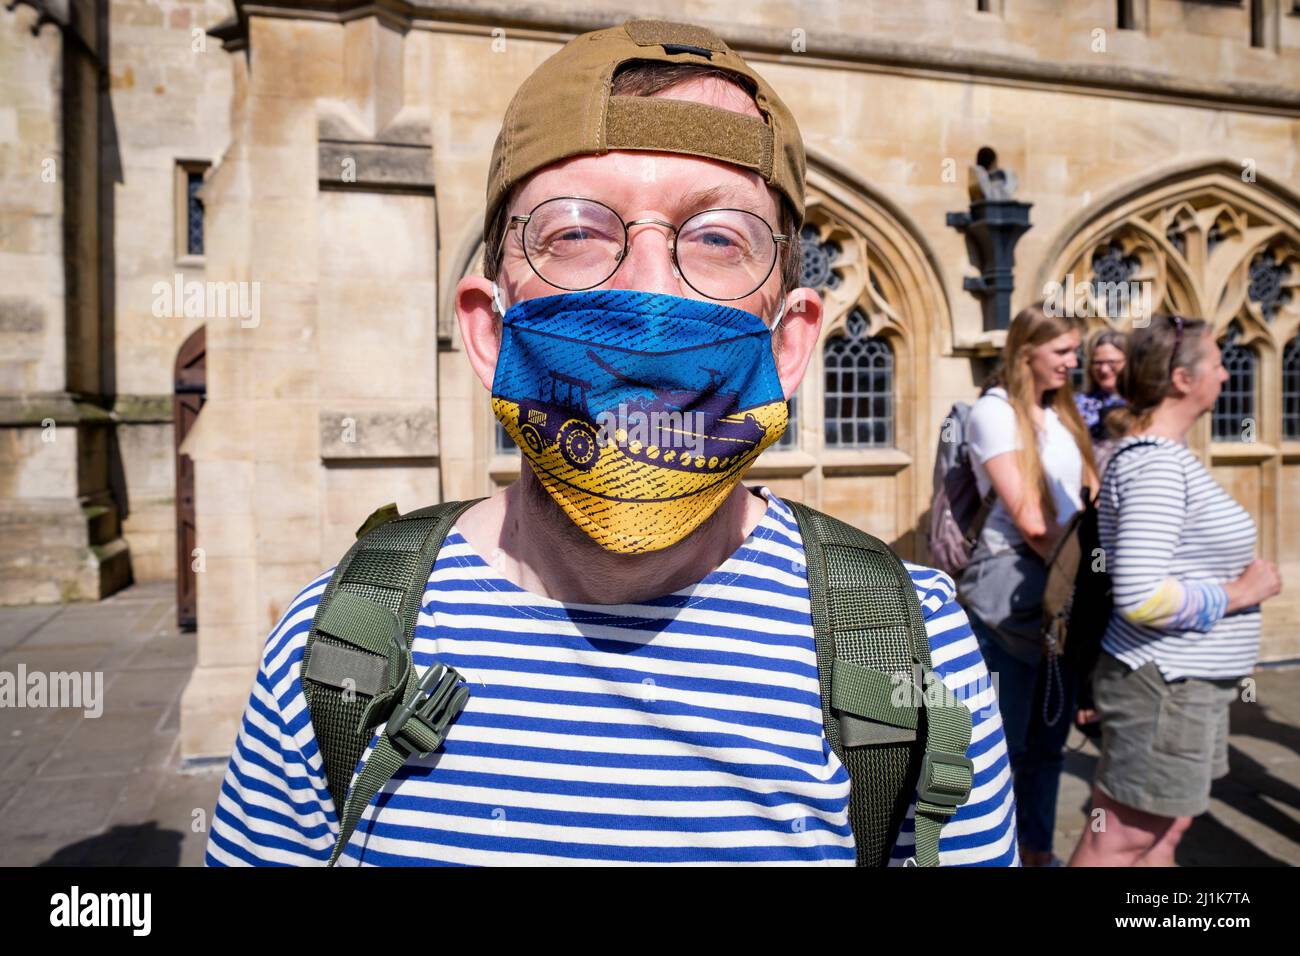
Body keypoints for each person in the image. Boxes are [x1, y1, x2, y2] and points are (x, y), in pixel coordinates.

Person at [205, 19, 1017, 866]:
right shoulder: (333, 647)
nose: (649, 295)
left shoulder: (912, 641)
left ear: (789, 343)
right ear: (488, 331)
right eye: (577, 233)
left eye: (716, 239)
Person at [1068, 315, 1282, 867]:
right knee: (1119, 839)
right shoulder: (1156, 466)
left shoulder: (1164, 458)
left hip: (1187, 686)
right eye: (1217, 363)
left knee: (1164, 835)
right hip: (1163, 685)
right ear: (1183, 379)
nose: (1227, 377)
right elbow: (1141, 596)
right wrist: (1238, 592)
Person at [958, 303, 1100, 867]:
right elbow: (1035, 521)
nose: (1073, 362)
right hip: (1009, 603)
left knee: (1046, 747)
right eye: (1062, 351)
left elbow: (1092, 497)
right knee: (1003, 748)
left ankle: (1038, 853)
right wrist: (1091, 568)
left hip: (1061, 598)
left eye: (1075, 350)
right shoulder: (994, 413)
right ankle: (994, 853)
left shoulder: (1062, 415)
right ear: (1026, 353)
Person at [1073, 328, 1128, 473]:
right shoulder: (1077, 405)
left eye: (1112, 362)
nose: (1104, 369)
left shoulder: (1143, 404)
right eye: (1097, 363)